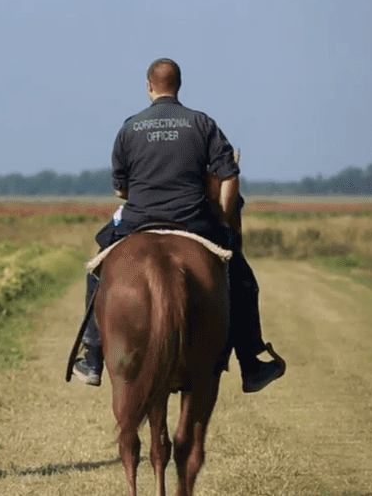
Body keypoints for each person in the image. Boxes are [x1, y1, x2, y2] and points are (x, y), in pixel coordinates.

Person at [71, 58, 285, 394]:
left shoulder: (129, 127)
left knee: (97, 269)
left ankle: (93, 356)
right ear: (179, 85)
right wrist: (224, 218)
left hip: (137, 221)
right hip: (194, 221)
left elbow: (121, 189)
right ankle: (250, 361)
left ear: (148, 86)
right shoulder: (201, 123)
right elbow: (229, 175)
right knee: (240, 276)